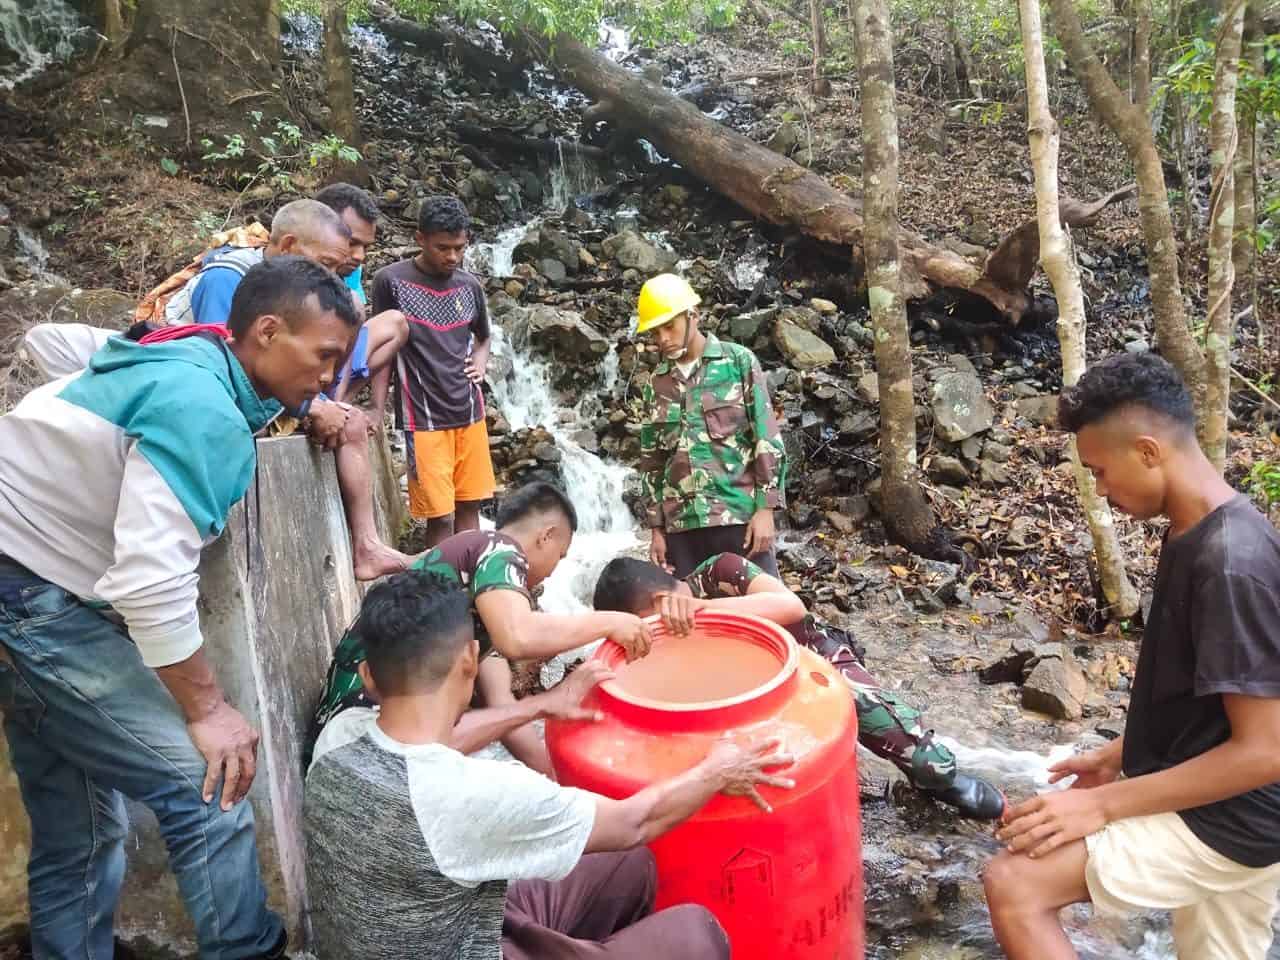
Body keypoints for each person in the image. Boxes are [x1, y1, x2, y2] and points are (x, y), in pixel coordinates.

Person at [0, 256, 361, 958]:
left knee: (81, 831)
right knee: (208, 787)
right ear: (264, 331)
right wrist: (208, 710)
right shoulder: (206, 412)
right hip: (28, 595)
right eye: (322, 358)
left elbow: (48, 342)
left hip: (22, 572)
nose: (327, 380)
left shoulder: (185, 350)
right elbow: (149, 580)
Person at [304, 569, 793, 960]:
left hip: (437, 926)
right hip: (463, 942)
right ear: (471, 662)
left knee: (624, 864)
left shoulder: (332, 751)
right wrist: (718, 769)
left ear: (368, 675)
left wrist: (542, 704)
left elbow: (433, 750)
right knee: (696, 934)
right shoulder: (471, 795)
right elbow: (634, 821)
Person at [983, 352, 1280, 959]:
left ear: (1148, 451)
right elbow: (1226, 699)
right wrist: (1124, 754)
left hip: (1239, 820)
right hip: (1239, 810)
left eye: (1099, 469)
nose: (1099, 487)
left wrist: (1100, 805)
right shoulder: (1197, 531)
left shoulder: (1231, 563)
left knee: (1015, 885)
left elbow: (1267, 749)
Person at [23, 199, 411, 581]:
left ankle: (367, 545)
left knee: (357, 409)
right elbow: (233, 360)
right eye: (326, 265)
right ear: (289, 247)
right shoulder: (225, 289)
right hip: (36, 552)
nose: (333, 278)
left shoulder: (298, 306)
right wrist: (311, 406)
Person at [593, 553, 1006, 820]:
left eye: (668, 605)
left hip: (810, 666)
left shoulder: (720, 571)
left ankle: (939, 782)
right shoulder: (643, 639)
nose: (668, 623)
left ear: (672, 578)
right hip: (740, 698)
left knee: (929, 764)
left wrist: (700, 611)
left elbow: (791, 606)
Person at [313, 481, 654, 774]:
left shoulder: (477, 605)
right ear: (546, 536)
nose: (554, 570)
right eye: (560, 555)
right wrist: (609, 621)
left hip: (343, 740)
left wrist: (558, 778)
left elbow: (502, 708)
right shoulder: (497, 549)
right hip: (361, 724)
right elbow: (517, 637)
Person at [636, 273, 787, 579]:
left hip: (737, 517)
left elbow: (766, 437)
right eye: (655, 332)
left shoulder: (738, 362)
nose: (663, 338)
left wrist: (765, 510)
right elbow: (653, 462)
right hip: (682, 528)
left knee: (761, 613)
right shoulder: (657, 383)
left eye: (670, 326)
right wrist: (656, 529)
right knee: (695, 621)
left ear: (694, 316)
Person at [371, 195, 494, 548]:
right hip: (423, 417)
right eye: (443, 247)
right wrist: (376, 410)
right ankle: (437, 589)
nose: (452, 257)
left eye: (459, 247)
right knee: (439, 516)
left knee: (470, 504)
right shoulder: (390, 281)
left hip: (470, 411)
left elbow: (483, 336)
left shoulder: (469, 285)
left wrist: (481, 360)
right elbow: (381, 350)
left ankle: (472, 586)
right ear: (420, 238)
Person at [313, 182, 410, 415]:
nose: (359, 256)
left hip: (334, 361)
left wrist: (377, 407)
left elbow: (352, 332)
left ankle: (340, 398)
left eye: (365, 246)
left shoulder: (351, 270)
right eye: (352, 242)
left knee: (394, 323)